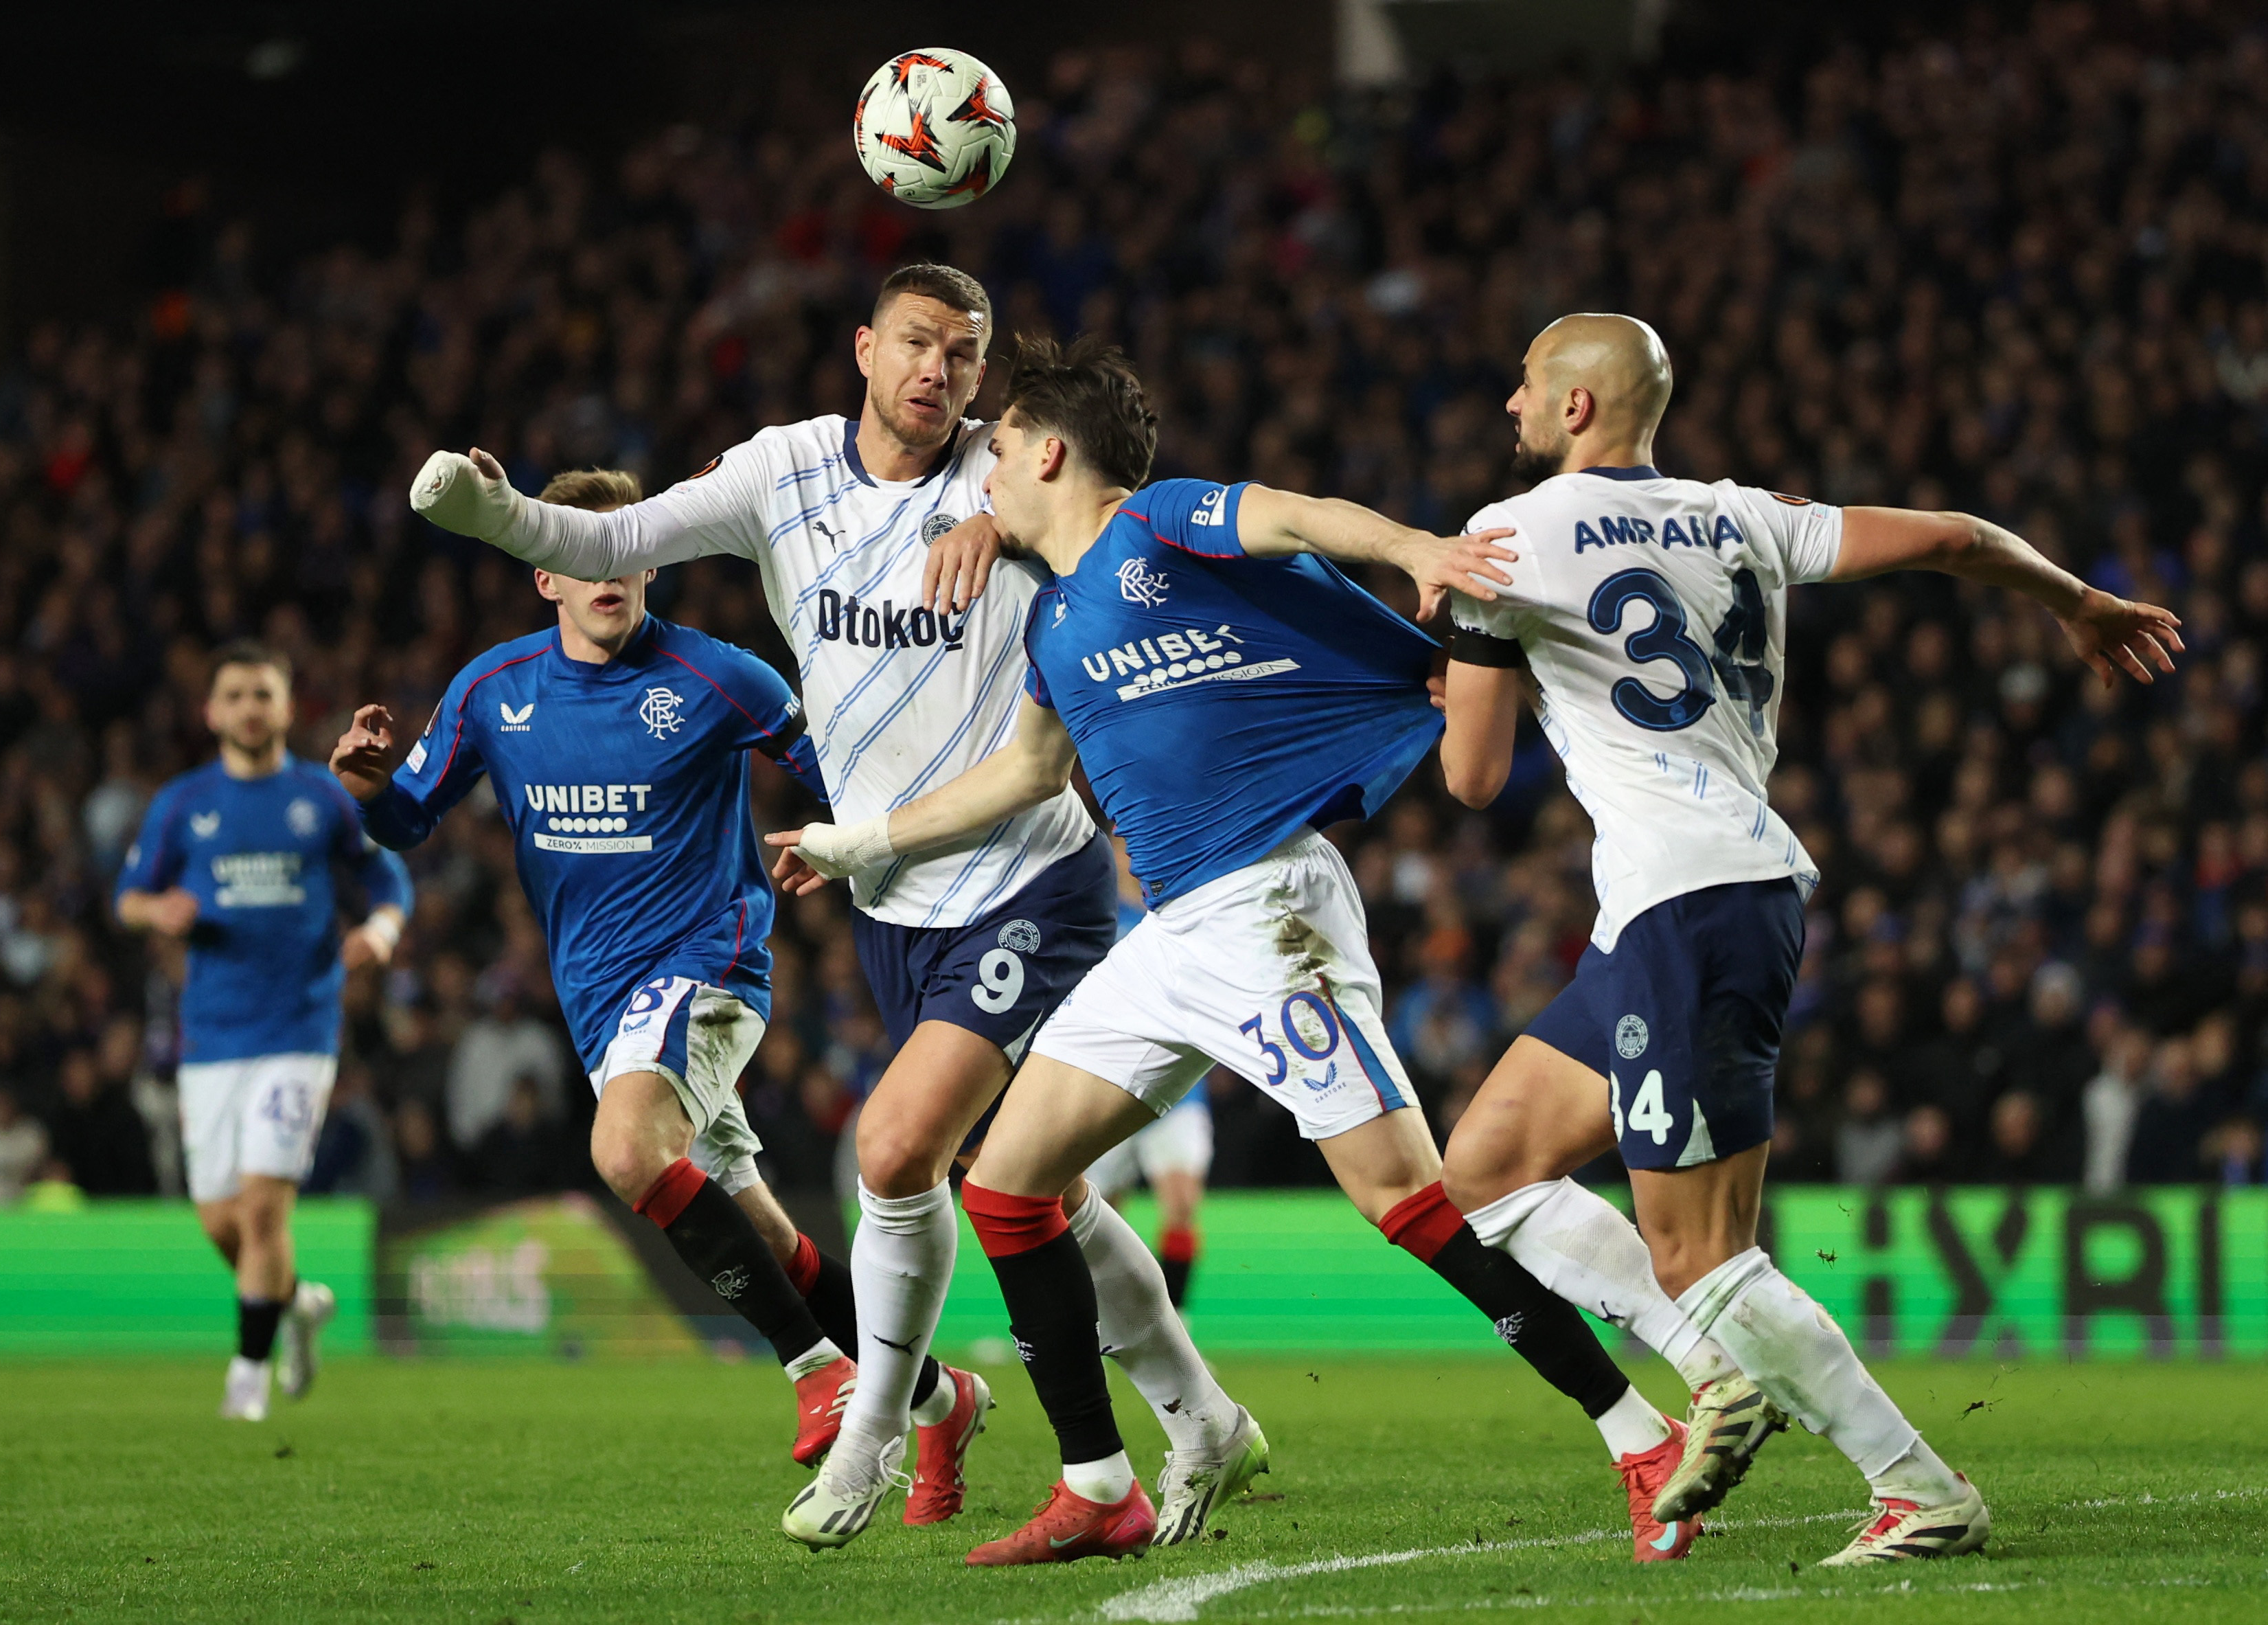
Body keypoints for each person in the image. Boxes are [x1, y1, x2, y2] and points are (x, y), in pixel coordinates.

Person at [775, 334, 1697, 1567]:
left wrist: (1419, 550)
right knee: (1005, 1182)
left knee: (1410, 1201)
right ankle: (1100, 1483)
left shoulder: (1156, 524)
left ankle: (1640, 1430)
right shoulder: (1051, 622)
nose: (981, 471)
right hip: (1171, 937)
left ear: (1049, 449)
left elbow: (1296, 518)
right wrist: (859, 840)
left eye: (996, 449)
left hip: (1270, 913)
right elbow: (1025, 774)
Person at [406, 265, 1244, 1550]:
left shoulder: (1008, 468)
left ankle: (869, 1427)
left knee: (897, 1153)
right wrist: (501, 512)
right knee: (1038, 1185)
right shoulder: (782, 470)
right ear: (864, 348)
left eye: (965, 356)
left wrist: (1010, 525)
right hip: (892, 896)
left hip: (1030, 871)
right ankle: (1203, 1421)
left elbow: (1122, 510)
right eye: (917, 343)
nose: (941, 372)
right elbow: (615, 541)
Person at [1433, 312, 2182, 1566]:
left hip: (1690, 897)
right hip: (1696, 896)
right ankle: (1722, 1373)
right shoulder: (1739, 514)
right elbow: (1949, 536)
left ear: (1573, 407)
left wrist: (1456, 641)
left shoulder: (1501, 540)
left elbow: (1470, 778)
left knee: (1699, 1251)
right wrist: (2078, 599)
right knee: (1491, 1165)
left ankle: (1919, 1489)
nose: (1506, 402)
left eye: (1521, 382)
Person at [330, 467, 965, 1473]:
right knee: (764, 1232)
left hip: (708, 966)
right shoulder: (492, 692)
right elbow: (407, 821)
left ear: (653, 558)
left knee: (625, 1152)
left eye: (626, 545)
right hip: (600, 1006)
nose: (607, 567)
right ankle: (936, 1397)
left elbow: (851, 775)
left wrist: (849, 838)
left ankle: (815, 1371)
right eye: (583, 550)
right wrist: (366, 789)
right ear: (546, 573)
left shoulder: (721, 677)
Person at [115, 641, 414, 1420]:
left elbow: (387, 878)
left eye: (264, 693)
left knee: (260, 1211)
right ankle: (300, 1302)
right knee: (219, 1218)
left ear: (287, 707)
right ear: (212, 712)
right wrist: (160, 911)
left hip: (299, 1027)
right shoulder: (183, 803)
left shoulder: (322, 797)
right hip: (211, 1035)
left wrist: (380, 932)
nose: (251, 707)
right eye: (237, 694)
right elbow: (129, 895)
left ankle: (246, 1376)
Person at [1081, 839, 1211, 1308]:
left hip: (1181, 1091)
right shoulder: (1095, 918)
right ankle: (1110, 1321)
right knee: (1101, 1217)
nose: (1130, 858)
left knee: (1181, 1205)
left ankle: (1176, 1323)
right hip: (1110, 1086)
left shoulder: (1182, 913)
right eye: (1120, 849)